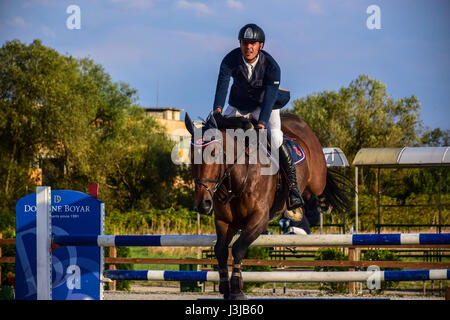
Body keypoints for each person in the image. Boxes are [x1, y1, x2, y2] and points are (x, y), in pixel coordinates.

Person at [212, 23, 304, 210]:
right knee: (215, 132)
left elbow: (270, 97)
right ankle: (211, 188)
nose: (248, 47)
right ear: (240, 44)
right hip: (238, 105)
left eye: (253, 43)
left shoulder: (271, 66)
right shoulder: (230, 60)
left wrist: (262, 122)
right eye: (245, 43)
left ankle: (293, 189)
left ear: (260, 45)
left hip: (264, 106)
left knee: (276, 138)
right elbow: (222, 84)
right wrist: (218, 109)